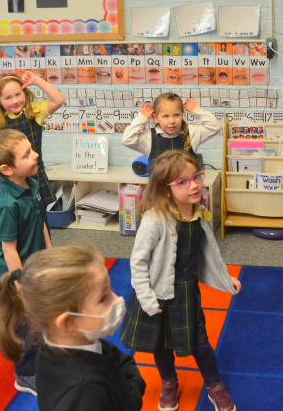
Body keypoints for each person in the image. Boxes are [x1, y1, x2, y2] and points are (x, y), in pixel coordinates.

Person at [120, 151, 240, 411]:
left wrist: (225, 277)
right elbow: (137, 263)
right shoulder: (155, 220)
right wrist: (147, 299)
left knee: (200, 344)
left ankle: (214, 385)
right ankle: (168, 382)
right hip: (156, 294)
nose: (194, 184)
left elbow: (206, 255)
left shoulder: (198, 214)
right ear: (165, 190)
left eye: (196, 176)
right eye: (183, 182)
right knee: (161, 345)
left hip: (186, 293)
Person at [0, 244, 146, 411]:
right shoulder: (84, 393)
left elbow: (117, 358)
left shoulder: (69, 342)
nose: (117, 299)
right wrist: (133, 387)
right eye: (103, 298)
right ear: (66, 323)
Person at [0, 129, 53, 395]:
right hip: (18, 277)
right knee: (24, 327)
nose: (35, 155)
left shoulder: (31, 184)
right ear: (7, 169)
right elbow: (9, 249)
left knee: (41, 320)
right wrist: (20, 283)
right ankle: (25, 375)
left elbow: (41, 223)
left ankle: (41, 363)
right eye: (27, 155)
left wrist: (49, 256)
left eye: (31, 150)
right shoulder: (6, 204)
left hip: (37, 267)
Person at [0, 71, 66, 227]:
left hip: (34, 176)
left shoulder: (34, 112)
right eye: (8, 98)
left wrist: (37, 80)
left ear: (24, 92)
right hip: (10, 179)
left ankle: (43, 247)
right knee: (16, 220)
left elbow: (59, 100)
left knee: (40, 219)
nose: (15, 101)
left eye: (18, 94)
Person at [122, 93, 220, 167]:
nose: (172, 121)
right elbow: (127, 140)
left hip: (186, 190)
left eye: (176, 115)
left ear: (183, 115)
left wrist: (196, 111)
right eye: (165, 116)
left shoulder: (192, 132)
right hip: (160, 191)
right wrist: (142, 119)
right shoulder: (149, 137)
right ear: (156, 118)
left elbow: (215, 127)